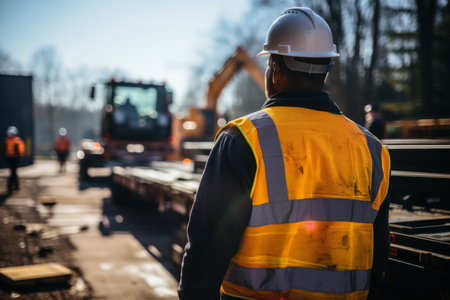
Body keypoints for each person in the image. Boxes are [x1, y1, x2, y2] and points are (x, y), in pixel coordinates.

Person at [178, 7, 391, 300]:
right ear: (326, 69)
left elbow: (207, 249)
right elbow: (378, 262)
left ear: (275, 70)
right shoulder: (372, 149)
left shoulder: (242, 138)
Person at [1, 126, 25, 194]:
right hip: (11, 159)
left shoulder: (14, 141)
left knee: (13, 172)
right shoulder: (9, 141)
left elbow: (21, 150)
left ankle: (12, 186)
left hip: (13, 159)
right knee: (13, 172)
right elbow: (3, 149)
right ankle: (14, 186)